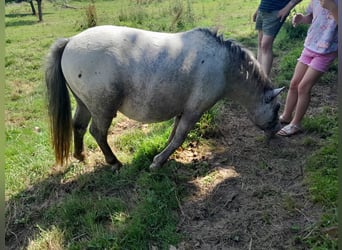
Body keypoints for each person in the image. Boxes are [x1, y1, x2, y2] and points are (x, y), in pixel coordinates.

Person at [277, 0, 338, 137]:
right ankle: (286, 116)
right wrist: (302, 18)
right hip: (310, 45)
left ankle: (295, 124)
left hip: (326, 51)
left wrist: (333, 8)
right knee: (294, 84)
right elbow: (311, 16)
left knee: (303, 87)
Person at [254, 0, 302, 76]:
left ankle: (264, 82)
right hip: (263, 10)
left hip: (276, 11)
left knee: (265, 45)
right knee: (260, 44)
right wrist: (258, 9)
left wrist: (287, 8)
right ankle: (258, 77)